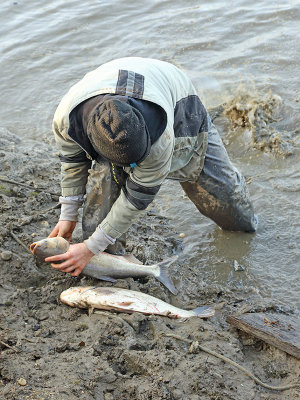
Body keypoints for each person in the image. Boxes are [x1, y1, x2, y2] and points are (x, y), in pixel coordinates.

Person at [46, 57, 257, 276]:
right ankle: (112, 263)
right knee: (104, 199)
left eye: (138, 162)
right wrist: (68, 216)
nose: (134, 169)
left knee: (230, 208)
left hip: (179, 106)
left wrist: (89, 248)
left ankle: (243, 221)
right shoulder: (65, 121)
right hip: (109, 105)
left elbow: (137, 198)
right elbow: (73, 164)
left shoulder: (161, 138)